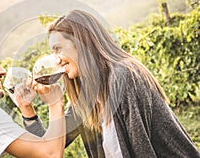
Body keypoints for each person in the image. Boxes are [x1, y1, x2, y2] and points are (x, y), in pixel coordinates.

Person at [18, 10, 200, 157]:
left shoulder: (123, 76)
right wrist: (29, 110)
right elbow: (50, 148)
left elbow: (142, 150)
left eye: (58, 49)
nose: (56, 60)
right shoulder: (86, 95)